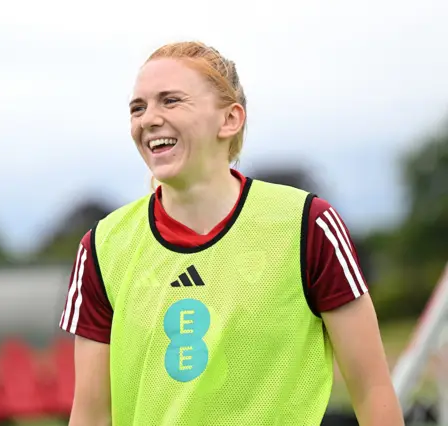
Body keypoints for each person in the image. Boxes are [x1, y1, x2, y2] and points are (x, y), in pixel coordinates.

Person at [58, 41, 404, 426]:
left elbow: (373, 391)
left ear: (230, 119)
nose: (149, 118)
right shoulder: (103, 247)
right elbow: (90, 413)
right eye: (138, 107)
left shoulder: (308, 225)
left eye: (170, 101)